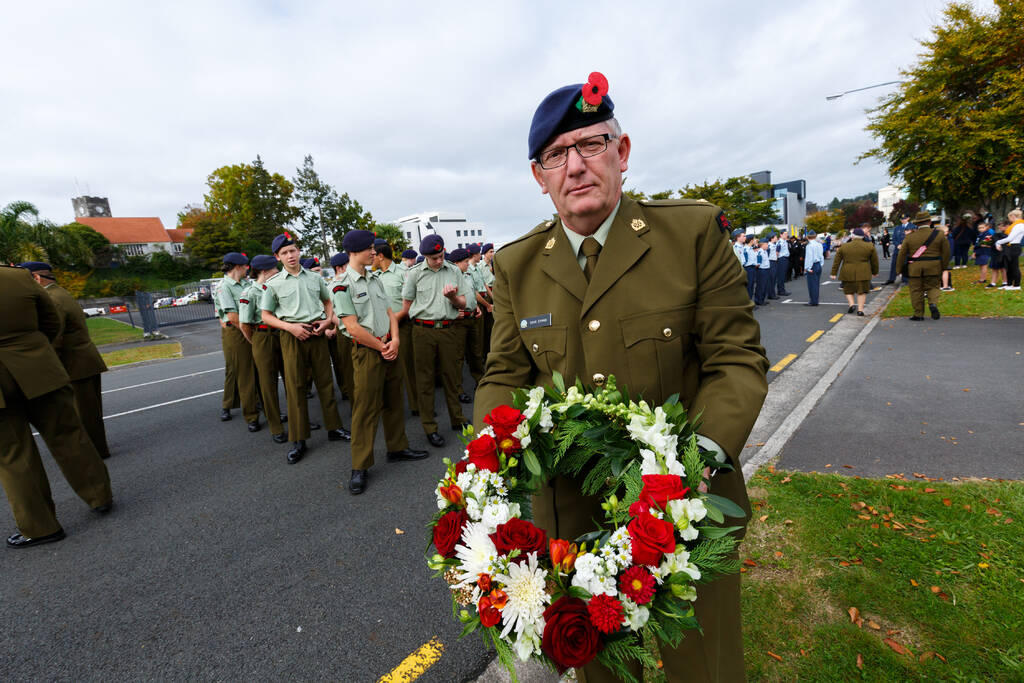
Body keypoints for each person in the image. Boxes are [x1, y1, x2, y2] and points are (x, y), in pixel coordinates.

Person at [474, 73, 768, 683]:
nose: (575, 166)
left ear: (622, 152)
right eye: (556, 155)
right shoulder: (516, 265)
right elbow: (504, 374)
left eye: (590, 145)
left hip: (687, 515)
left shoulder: (688, 234)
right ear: (539, 177)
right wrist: (487, 467)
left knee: (704, 667)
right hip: (574, 527)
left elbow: (735, 360)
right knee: (603, 672)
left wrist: (696, 469)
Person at [0, 265, 113, 548]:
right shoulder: (17, 277)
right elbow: (51, 322)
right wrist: (36, 351)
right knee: (68, 434)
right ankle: (99, 496)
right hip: (38, 365)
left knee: (14, 455)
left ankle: (40, 527)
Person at [333, 230, 427, 495]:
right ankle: (359, 466)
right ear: (354, 251)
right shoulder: (342, 285)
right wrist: (382, 346)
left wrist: (395, 340)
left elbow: (389, 312)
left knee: (394, 400)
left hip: (388, 346)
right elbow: (352, 327)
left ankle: (397, 447)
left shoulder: (374, 279)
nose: (374, 252)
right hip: (367, 352)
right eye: (369, 249)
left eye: (374, 248)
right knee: (365, 409)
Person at [260, 233, 350, 464]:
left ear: (298, 251)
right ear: (277, 257)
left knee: (325, 383)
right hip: (292, 337)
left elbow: (328, 301)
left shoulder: (314, 278)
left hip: (316, 333)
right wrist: (290, 328)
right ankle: (298, 439)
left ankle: (334, 427)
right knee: (296, 387)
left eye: (293, 250)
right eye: (284, 253)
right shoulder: (273, 284)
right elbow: (266, 316)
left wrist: (328, 320)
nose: (290, 256)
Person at [19, 262, 112, 459]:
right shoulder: (60, 292)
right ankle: (97, 449)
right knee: (90, 413)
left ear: (36, 278)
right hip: (83, 361)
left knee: (84, 415)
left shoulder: (52, 299)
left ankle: (94, 454)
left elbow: (55, 337)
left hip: (75, 364)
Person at [400, 234, 469, 447]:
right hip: (422, 331)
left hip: (448, 330)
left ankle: (457, 419)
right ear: (425, 257)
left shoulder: (455, 271)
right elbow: (407, 304)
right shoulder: (414, 274)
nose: (438, 261)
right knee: (425, 380)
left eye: (441, 256)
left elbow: (463, 303)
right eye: (433, 258)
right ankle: (430, 427)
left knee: (452, 376)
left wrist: (452, 298)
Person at [238, 255, 288, 444]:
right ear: (265, 271)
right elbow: (244, 325)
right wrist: (256, 342)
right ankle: (276, 426)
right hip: (262, 336)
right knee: (268, 384)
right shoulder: (249, 293)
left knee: (291, 378)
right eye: (275, 269)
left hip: (282, 333)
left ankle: (300, 420)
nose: (278, 272)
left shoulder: (276, 287)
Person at [215, 252, 261, 431]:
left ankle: (258, 404)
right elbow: (233, 317)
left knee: (255, 370)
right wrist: (249, 336)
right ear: (236, 267)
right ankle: (251, 416)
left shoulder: (245, 284)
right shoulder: (224, 287)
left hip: (248, 328)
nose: (247, 269)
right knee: (243, 374)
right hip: (236, 331)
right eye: (244, 266)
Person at [449, 247, 486, 403]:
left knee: (475, 353)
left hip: (472, 317)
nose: (467, 264)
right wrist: (454, 313)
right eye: (465, 262)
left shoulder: (468, 274)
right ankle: (458, 390)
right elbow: (441, 299)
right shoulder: (449, 278)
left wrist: (476, 306)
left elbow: (471, 293)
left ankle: (481, 382)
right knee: (457, 357)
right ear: (456, 263)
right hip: (458, 322)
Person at [896, 215, 950, 320]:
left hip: (915, 269)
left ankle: (918, 314)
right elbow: (946, 253)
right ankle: (933, 303)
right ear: (930, 222)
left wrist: (898, 270)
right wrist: (943, 266)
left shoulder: (910, 237)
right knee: (933, 287)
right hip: (934, 267)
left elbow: (901, 255)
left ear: (916, 224)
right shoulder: (939, 235)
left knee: (916, 291)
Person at [326, 253, 355, 403]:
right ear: (339, 268)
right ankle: (354, 402)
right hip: (344, 331)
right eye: (348, 265)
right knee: (349, 369)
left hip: (360, 329)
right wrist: (348, 325)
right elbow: (329, 314)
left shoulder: (353, 282)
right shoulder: (330, 288)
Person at [830, 227, 878, 316]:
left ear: (852, 236)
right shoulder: (870, 246)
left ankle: (851, 304)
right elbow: (874, 261)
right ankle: (860, 310)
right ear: (863, 236)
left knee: (848, 290)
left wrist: (833, 273)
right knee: (862, 291)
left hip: (847, 270)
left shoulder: (844, 246)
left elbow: (837, 261)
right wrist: (875, 271)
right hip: (863, 271)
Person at [994, 208, 1024, 290]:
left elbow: (1010, 238)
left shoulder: (1019, 225)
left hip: (1014, 247)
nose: (1009, 220)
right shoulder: (1015, 225)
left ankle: (1017, 285)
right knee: (1009, 267)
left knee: (1014, 267)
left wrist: (998, 242)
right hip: (1010, 247)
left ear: (1013, 216)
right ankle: (1009, 284)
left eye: (1009, 217)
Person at [885, 215, 912, 284]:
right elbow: (894, 238)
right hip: (898, 249)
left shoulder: (913, 227)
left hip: (907, 249)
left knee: (905, 264)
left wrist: (905, 245)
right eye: (902, 219)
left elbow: (914, 238)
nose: (903, 220)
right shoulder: (897, 228)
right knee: (894, 264)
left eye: (905, 218)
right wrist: (898, 245)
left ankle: (905, 279)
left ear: (908, 218)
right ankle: (891, 279)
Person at [803, 231, 824, 306]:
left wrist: (807, 268)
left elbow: (809, 258)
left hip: (812, 265)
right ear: (815, 236)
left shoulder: (809, 246)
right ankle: (815, 300)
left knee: (812, 284)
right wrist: (821, 264)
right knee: (816, 284)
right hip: (818, 264)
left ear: (808, 237)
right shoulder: (819, 244)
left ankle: (813, 301)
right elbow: (822, 256)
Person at [974, 220, 996, 284]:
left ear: (986, 227)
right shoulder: (980, 234)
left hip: (984, 252)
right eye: (979, 228)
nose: (980, 229)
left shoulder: (988, 234)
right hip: (979, 251)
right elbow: (979, 243)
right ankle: (982, 278)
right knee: (981, 266)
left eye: (982, 227)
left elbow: (985, 243)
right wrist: (975, 251)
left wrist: (979, 244)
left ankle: (982, 279)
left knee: (984, 265)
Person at [753, 236, 772, 306]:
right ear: (762, 244)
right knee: (761, 286)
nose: (767, 245)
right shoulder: (759, 252)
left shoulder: (765, 251)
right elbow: (758, 263)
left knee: (765, 285)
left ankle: (762, 299)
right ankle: (759, 300)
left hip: (766, 269)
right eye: (766, 244)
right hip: (761, 270)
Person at [775, 229, 791, 295]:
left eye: (787, 234)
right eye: (785, 234)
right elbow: (777, 252)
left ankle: (782, 289)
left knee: (783, 275)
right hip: (781, 259)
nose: (786, 235)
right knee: (781, 275)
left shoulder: (785, 242)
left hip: (785, 259)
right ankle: (781, 291)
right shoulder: (780, 242)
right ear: (781, 235)